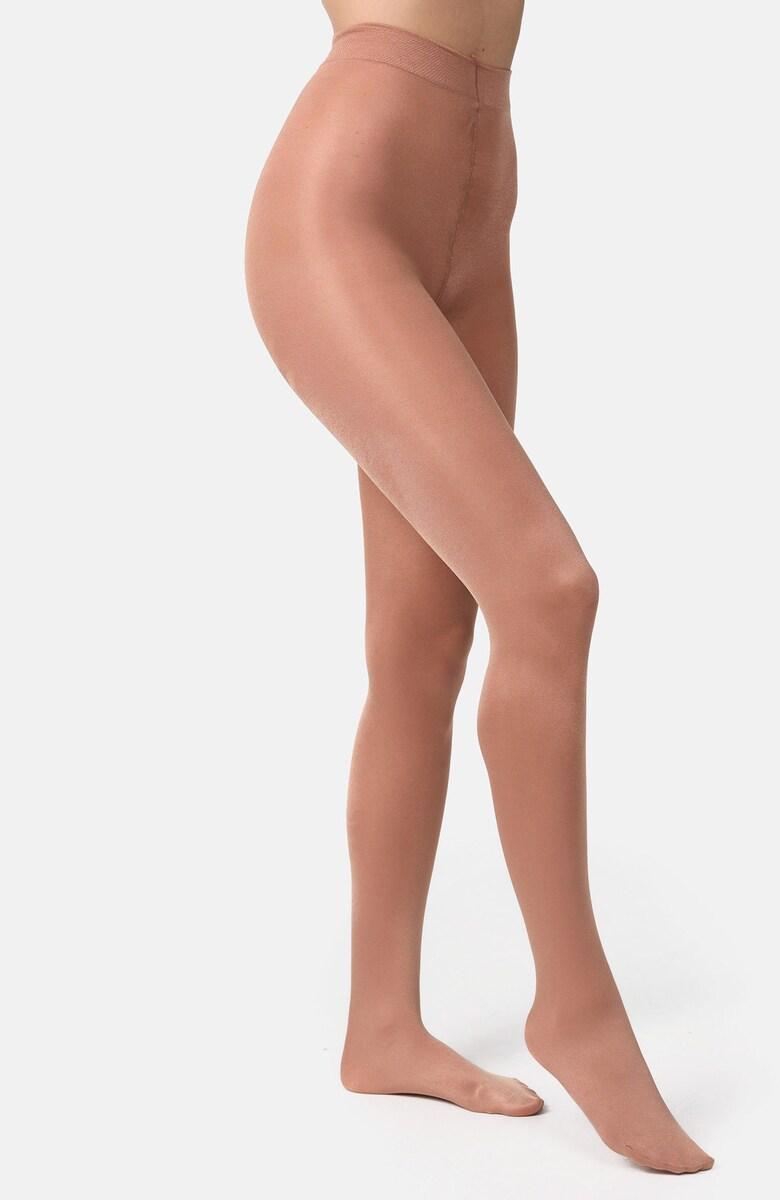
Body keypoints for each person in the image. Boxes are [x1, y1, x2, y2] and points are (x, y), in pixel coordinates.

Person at [245, 0, 713, 1175]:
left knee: (424, 639)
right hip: (345, 199)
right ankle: (577, 1006)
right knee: (549, 590)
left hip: (479, 196)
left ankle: (381, 1027)